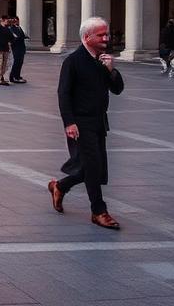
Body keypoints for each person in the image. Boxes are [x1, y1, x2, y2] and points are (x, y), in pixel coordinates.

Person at [48, 16, 125, 230]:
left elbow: (118, 89)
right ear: (86, 37)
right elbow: (63, 94)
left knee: (94, 166)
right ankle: (99, 211)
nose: (106, 38)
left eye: (106, 34)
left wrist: (111, 70)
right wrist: (69, 123)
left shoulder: (102, 60)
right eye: (101, 35)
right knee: (92, 166)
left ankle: (59, 186)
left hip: (99, 121)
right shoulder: (73, 61)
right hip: (80, 123)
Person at [9, 16, 29, 84]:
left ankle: (17, 75)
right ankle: (12, 77)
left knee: (20, 62)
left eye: (17, 20)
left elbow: (21, 35)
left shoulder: (19, 27)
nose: (16, 22)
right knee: (16, 62)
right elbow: (15, 37)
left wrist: (25, 37)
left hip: (21, 47)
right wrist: (21, 37)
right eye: (15, 21)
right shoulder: (12, 28)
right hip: (16, 47)